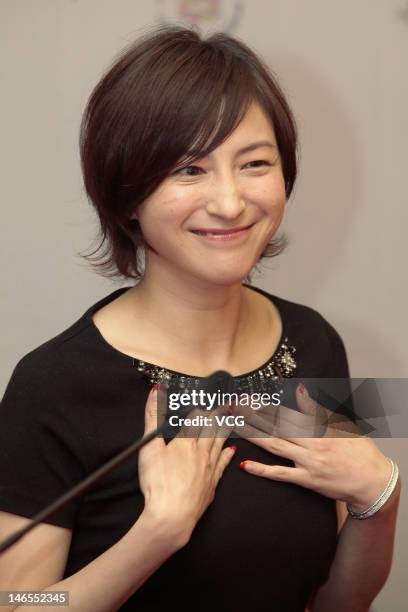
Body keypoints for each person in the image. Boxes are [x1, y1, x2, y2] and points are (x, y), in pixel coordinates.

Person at [0, 24, 401, 612]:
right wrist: (156, 533)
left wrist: (380, 504)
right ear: (126, 191)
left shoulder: (314, 345)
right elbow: (20, 604)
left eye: (255, 163)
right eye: (189, 170)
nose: (231, 202)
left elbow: (336, 605)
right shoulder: (53, 386)